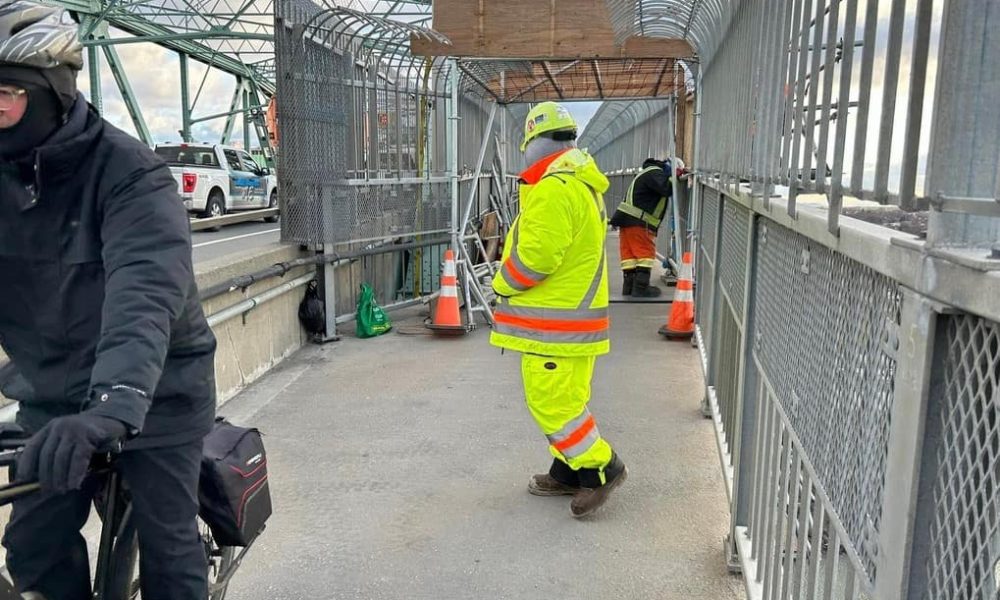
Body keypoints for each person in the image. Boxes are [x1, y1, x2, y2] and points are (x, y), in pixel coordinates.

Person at [0, 2, 216, 597]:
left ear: (53, 90)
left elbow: (143, 294)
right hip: (51, 391)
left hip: (157, 392)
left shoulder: (130, 175)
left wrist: (115, 402)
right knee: (33, 549)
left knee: (171, 558)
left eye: (7, 93)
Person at [491, 101, 627, 518]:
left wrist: (501, 282)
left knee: (554, 403)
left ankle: (600, 467)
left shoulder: (554, 188)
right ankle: (567, 470)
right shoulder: (577, 182)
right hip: (569, 325)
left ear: (535, 142)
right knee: (568, 398)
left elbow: (537, 257)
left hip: (554, 327)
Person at [609, 158, 673, 298]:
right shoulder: (654, 172)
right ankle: (641, 288)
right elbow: (666, 189)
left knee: (629, 255)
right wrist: (675, 177)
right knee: (645, 253)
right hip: (639, 221)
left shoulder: (645, 173)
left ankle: (629, 287)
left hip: (627, 220)